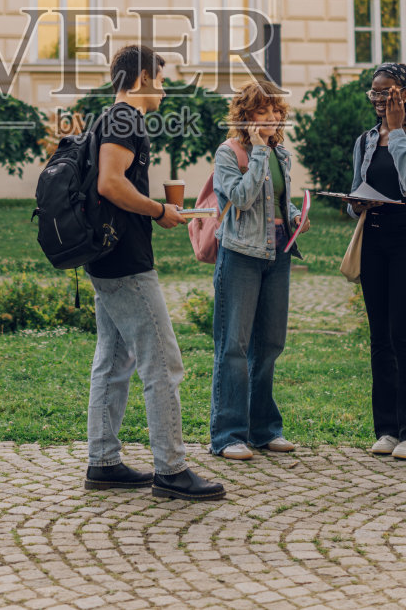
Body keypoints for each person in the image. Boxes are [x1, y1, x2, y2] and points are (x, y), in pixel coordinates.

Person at [83, 44, 225, 502]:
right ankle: (172, 469)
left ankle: (103, 462)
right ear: (143, 77)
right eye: (161, 79)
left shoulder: (107, 117)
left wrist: (159, 209)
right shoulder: (126, 118)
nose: (164, 89)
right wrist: (158, 210)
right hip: (125, 261)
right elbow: (110, 181)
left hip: (105, 258)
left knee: (114, 359)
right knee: (163, 363)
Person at [208, 80, 309, 460]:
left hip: (277, 253)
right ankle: (227, 435)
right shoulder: (228, 153)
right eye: (263, 112)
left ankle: (264, 429)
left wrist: (296, 216)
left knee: (269, 345)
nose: (272, 118)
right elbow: (242, 198)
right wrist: (261, 152)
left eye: (276, 112)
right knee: (233, 345)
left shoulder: (281, 153)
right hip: (241, 255)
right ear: (246, 117)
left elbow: (276, 201)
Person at [347, 63, 406, 460]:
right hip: (373, 235)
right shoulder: (365, 140)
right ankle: (387, 428)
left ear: (405, 94)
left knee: (402, 333)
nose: (380, 100)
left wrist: (400, 131)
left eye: (387, 92)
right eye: (375, 92)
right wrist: (355, 203)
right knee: (379, 337)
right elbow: (356, 193)